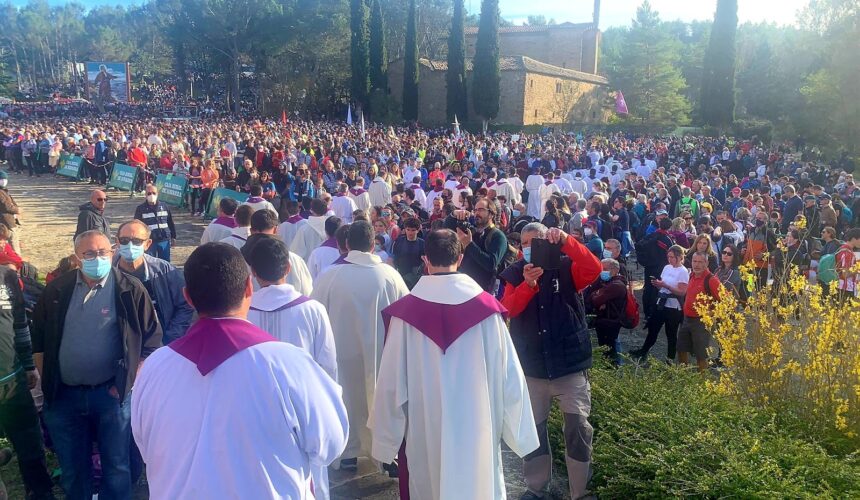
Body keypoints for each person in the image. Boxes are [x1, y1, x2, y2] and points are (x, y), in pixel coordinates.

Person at [131, 243, 348, 499]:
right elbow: (330, 444)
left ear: (187, 297)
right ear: (248, 288)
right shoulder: (289, 363)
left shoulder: (154, 368)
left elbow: (146, 447)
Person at [371, 229, 539, 499]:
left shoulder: (406, 315)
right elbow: (510, 377)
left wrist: (384, 439)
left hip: (426, 429)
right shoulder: (487, 311)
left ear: (426, 261)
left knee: (430, 484)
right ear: (460, 258)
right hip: (478, 425)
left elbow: (391, 383)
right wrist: (521, 434)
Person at [32, 230, 162, 500]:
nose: (97, 258)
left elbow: (151, 343)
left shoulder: (130, 290)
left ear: (112, 251)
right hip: (64, 397)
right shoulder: (57, 290)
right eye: (89, 254)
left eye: (102, 252)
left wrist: (127, 382)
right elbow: (40, 342)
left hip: (111, 397)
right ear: (77, 257)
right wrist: (49, 385)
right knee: (72, 469)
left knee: (116, 467)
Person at [498, 223, 602, 500]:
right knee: (534, 432)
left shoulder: (567, 266)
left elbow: (594, 269)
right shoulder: (514, 273)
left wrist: (568, 241)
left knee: (578, 428)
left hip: (569, 365)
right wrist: (528, 285)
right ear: (521, 248)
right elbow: (508, 309)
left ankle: (580, 492)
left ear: (550, 242)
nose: (532, 247)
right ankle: (536, 488)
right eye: (527, 243)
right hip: (533, 368)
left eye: (539, 241)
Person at [311, 221, 409, 471]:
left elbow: (315, 316)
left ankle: (347, 452)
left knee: (347, 398)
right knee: (381, 398)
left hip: (341, 355)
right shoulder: (390, 275)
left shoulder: (329, 276)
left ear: (346, 244)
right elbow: (407, 317)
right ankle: (386, 454)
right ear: (374, 243)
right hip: (381, 354)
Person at [0, 261, 56, 499]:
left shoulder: (6, 277)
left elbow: (20, 323)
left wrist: (29, 365)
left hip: (13, 380)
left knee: (31, 446)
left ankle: (40, 492)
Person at [114, 220, 193, 344]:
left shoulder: (165, 271)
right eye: (124, 240)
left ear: (148, 244)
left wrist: (170, 339)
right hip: (119, 345)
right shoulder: (107, 273)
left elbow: (185, 305)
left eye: (137, 241)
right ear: (117, 242)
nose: (130, 246)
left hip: (159, 344)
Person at [631, 245, 689, 362]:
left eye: (672, 257)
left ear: (679, 257)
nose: (669, 259)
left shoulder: (683, 271)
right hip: (661, 302)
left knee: (671, 334)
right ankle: (644, 351)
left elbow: (682, 292)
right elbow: (663, 283)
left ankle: (670, 359)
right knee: (653, 328)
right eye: (668, 257)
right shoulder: (667, 267)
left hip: (673, 306)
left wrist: (666, 286)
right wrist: (658, 284)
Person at [678, 252, 722, 372]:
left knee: (701, 354)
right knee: (681, 348)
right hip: (687, 319)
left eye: (700, 262)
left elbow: (727, 301)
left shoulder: (712, 280)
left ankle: (701, 383)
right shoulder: (692, 275)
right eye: (694, 261)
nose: (696, 265)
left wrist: (711, 313)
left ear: (706, 263)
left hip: (701, 322)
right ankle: (683, 377)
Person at [456, 198, 508, 293]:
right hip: (464, 288)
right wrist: (454, 214)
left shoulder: (498, 236)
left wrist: (469, 244)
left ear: (491, 214)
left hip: (483, 291)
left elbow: (491, 264)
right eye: (475, 210)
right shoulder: (472, 232)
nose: (476, 213)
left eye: (480, 210)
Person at [585, 258, 628, 363]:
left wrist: (597, 294)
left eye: (604, 269)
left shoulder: (616, 285)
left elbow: (595, 300)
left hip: (610, 321)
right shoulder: (608, 282)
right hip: (605, 319)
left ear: (614, 270)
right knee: (605, 347)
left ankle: (613, 370)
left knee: (609, 348)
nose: (601, 271)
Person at [133, 184, 177, 262]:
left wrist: (173, 237)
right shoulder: (140, 209)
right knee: (149, 262)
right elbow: (137, 226)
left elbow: (170, 222)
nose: (151, 195)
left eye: (154, 193)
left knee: (165, 263)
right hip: (149, 242)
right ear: (145, 195)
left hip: (164, 240)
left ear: (157, 194)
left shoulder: (164, 206)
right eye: (149, 193)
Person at [390, 217, 425, 289]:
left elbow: (424, 262)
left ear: (418, 230)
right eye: (408, 230)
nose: (410, 233)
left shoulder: (422, 243)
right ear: (405, 229)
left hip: (416, 279)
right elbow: (392, 258)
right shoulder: (398, 241)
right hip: (400, 276)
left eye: (413, 230)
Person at [307, 216, 343, 280]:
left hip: (321, 288)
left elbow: (310, 277)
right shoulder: (347, 252)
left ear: (325, 231)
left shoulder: (316, 253)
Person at [834, 227, 860, 302]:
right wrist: (857, 270)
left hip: (842, 287)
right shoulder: (847, 252)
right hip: (845, 289)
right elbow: (845, 274)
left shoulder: (843, 249)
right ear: (854, 238)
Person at [0, 171, 22, 254]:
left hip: (6, 220)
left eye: (5, 179)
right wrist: (17, 210)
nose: (4, 181)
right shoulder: (1, 192)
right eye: (2, 179)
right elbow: (7, 206)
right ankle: (18, 262)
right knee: (13, 242)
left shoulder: (3, 191)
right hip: (6, 220)